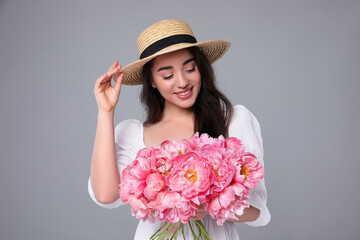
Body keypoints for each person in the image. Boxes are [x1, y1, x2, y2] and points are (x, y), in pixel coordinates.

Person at [88, 19, 270, 239]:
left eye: (190, 68)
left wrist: (212, 206)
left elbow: (258, 211)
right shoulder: (133, 134)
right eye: (167, 75)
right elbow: (105, 195)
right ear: (153, 81)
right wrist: (105, 112)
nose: (182, 82)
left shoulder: (233, 120)